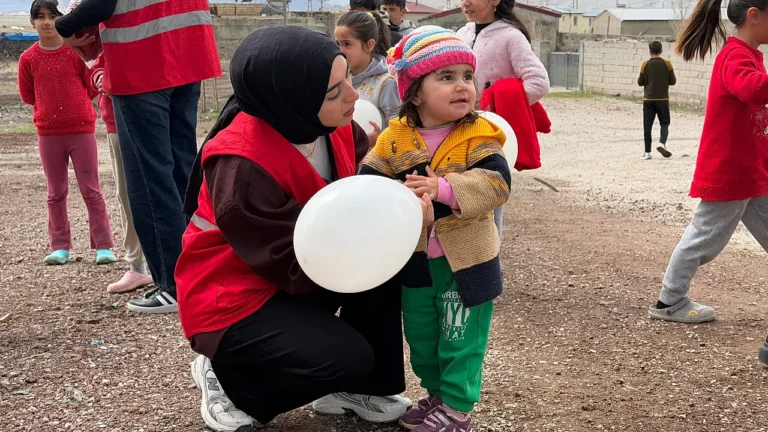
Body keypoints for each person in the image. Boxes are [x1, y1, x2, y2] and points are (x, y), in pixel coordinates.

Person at [176, 26, 414, 431]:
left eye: (348, 82)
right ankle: (228, 380)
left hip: (295, 269)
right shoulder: (242, 166)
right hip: (234, 296)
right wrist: (368, 249)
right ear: (291, 97)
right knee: (346, 354)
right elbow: (290, 262)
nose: (354, 97)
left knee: (391, 265)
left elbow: (362, 183)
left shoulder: (326, 123)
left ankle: (361, 388)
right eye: (334, 91)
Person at [361, 27, 511, 431]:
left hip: (465, 261)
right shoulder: (395, 139)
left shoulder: (477, 134)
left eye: (467, 76)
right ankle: (437, 394)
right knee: (424, 338)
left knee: (461, 337)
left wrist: (442, 187)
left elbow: (497, 185)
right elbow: (368, 182)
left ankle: (458, 407)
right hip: (416, 259)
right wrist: (396, 198)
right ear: (413, 91)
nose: (462, 86)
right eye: (446, 78)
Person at [55, 0, 221, 314]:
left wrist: (63, 27)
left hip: (142, 57)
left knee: (150, 179)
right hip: (189, 49)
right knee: (181, 171)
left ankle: (173, 284)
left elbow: (100, 4)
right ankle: (200, 272)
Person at [649, 0, 768, 324]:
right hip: (730, 172)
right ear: (754, 16)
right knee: (703, 239)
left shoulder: (751, 55)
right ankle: (669, 301)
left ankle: (670, 299)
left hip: (751, 172)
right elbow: (753, 91)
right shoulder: (735, 56)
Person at [18, 0, 116, 266]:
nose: (47, 22)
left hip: (81, 130)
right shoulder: (27, 59)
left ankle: (104, 245)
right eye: (41, 17)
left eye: (52, 16)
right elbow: (28, 95)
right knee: (55, 192)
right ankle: (60, 246)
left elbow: (92, 87)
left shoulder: (75, 54)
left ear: (61, 19)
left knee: (91, 189)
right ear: (33, 23)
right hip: (48, 134)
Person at [456, 0, 548, 253]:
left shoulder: (510, 37)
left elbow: (539, 82)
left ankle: (487, 276)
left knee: (488, 205)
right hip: (455, 131)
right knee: (455, 202)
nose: (464, 2)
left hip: (489, 135)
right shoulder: (461, 34)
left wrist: (493, 108)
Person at [91, 55, 153, 293]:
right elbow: (96, 68)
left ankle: (172, 262)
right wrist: (100, 78)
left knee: (165, 187)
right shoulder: (109, 31)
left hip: (155, 113)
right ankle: (137, 265)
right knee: (127, 194)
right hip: (118, 119)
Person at [335, 11, 401, 126]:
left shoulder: (386, 83)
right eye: (337, 43)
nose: (340, 50)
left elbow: (399, 129)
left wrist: (377, 139)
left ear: (369, 45)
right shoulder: (338, 79)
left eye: (347, 44)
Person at [638, 41, 676, 160]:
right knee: (664, 123)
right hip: (663, 99)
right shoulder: (667, 64)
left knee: (647, 126)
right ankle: (661, 143)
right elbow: (673, 81)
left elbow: (640, 82)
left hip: (648, 99)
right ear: (661, 51)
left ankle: (647, 152)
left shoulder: (645, 64)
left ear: (649, 51)